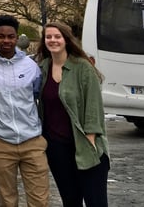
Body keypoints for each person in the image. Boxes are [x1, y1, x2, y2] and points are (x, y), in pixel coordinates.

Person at [0, 14, 49, 207]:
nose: (6, 41)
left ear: (16, 38)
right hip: (1, 143)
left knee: (40, 200)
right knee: (7, 200)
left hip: (32, 141)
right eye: (1, 36)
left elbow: (37, 96)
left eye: (10, 36)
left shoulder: (31, 66)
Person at [35, 21, 109, 207]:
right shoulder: (43, 67)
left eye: (57, 36)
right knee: (70, 201)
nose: (53, 40)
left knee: (96, 202)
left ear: (66, 40)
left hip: (84, 144)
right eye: (48, 37)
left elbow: (94, 105)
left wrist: (90, 138)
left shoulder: (82, 67)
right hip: (57, 147)